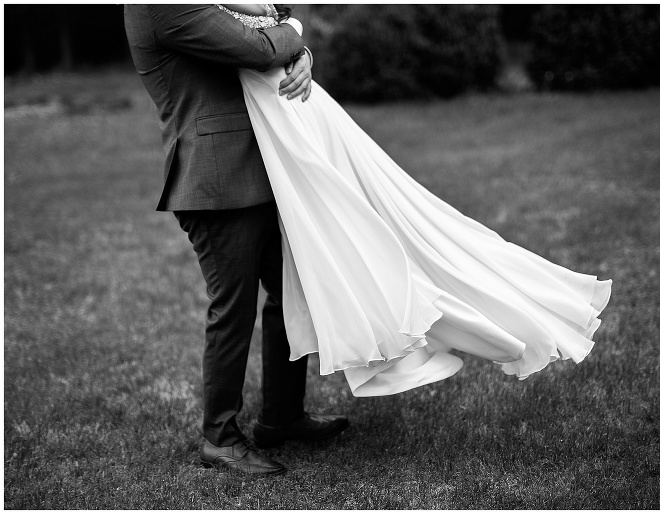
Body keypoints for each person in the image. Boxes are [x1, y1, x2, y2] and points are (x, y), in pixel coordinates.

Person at [216, 4, 612, 397]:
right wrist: (295, 44)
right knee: (346, 240)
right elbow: (259, 47)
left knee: (395, 219)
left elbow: (283, 23)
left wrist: (302, 52)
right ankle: (399, 332)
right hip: (283, 127)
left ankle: (497, 313)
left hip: (306, 113)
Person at [123, 5, 349, 477]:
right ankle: (220, 438)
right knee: (233, 307)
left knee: (291, 292)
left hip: (261, 166)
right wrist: (296, 34)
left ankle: (282, 417)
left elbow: (266, 22)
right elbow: (257, 46)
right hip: (215, 177)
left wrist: (300, 53)